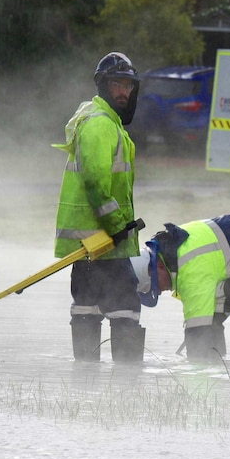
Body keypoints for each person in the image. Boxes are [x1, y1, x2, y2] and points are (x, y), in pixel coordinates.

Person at [53, 52, 144, 362]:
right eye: (117, 84)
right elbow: (94, 181)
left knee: (86, 308)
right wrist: (117, 225)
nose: (123, 92)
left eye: (128, 86)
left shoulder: (103, 122)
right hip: (105, 242)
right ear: (102, 85)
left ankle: (85, 384)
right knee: (126, 310)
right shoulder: (100, 125)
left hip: (91, 243)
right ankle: (128, 388)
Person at [131, 214, 230, 362]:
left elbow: (197, 330)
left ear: (158, 266)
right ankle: (219, 364)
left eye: (154, 286)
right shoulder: (174, 251)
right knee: (214, 318)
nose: (158, 291)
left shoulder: (190, 269)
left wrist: (194, 366)